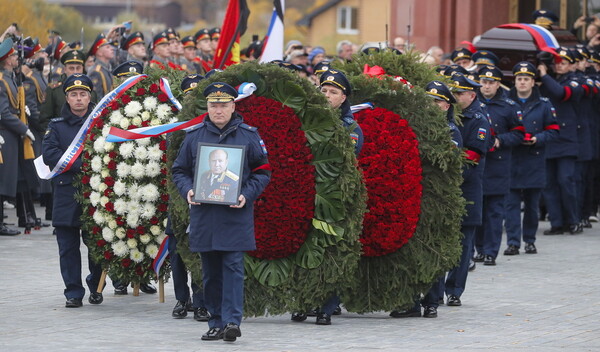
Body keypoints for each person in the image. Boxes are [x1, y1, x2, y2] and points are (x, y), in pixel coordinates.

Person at [172, 82, 271, 342]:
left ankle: (231, 322)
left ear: (233, 106)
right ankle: (215, 321)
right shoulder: (194, 136)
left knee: (234, 268)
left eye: (224, 105)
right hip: (205, 215)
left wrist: (245, 194)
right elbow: (179, 170)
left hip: (235, 215)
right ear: (207, 106)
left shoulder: (249, 135)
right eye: (214, 105)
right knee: (210, 271)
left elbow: (263, 172)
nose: (218, 110)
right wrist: (188, 191)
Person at [390, 80, 462, 319]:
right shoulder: (415, 128)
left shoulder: (452, 132)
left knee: (433, 249)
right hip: (413, 196)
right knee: (410, 250)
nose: (432, 105)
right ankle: (410, 302)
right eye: (428, 101)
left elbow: (445, 161)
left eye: (438, 101)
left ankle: (431, 301)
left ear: (447, 106)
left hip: (437, 198)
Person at [41, 73, 103, 307]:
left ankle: (96, 285)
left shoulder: (100, 124)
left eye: (83, 94)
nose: (78, 99)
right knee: (68, 248)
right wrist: (83, 164)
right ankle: (73, 293)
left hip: (94, 194)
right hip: (66, 194)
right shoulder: (56, 126)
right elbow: (49, 155)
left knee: (97, 245)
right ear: (67, 99)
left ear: (90, 97)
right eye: (74, 95)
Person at [504, 62, 559, 256]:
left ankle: (529, 240)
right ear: (515, 81)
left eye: (526, 79)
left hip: (534, 159)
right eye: (519, 79)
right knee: (510, 205)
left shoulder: (544, 104)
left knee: (531, 205)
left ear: (533, 82)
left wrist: (538, 139)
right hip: (511, 158)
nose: (522, 83)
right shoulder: (505, 102)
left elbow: (553, 131)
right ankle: (512, 242)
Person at [445, 73, 490, 306]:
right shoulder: (446, 116)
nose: (454, 97)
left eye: (459, 93)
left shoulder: (479, 120)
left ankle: (454, 290)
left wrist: (446, 176)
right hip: (445, 192)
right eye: (452, 93)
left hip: (466, 190)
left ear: (472, 95)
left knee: (463, 245)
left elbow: (470, 160)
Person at [168, 73, 210, 321]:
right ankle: (181, 299)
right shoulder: (174, 129)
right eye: (189, 96)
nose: (193, 101)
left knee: (200, 252)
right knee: (177, 253)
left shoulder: (209, 128)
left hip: (204, 200)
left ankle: (201, 302)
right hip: (179, 199)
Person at [473, 65, 524, 266]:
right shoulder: (471, 102)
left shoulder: (509, 106)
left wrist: (501, 140)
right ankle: (479, 249)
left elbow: (519, 133)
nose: (486, 86)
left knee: (494, 212)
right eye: (483, 82)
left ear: (497, 84)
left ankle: (490, 252)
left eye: (491, 82)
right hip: (478, 165)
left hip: (499, 165)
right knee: (478, 211)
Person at [537, 48, 583, 235]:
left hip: (567, 140)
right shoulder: (549, 81)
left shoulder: (576, 81)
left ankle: (573, 220)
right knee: (549, 184)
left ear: (571, 65)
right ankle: (557, 223)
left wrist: (544, 75)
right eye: (557, 62)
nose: (559, 66)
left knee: (565, 180)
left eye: (563, 63)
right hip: (551, 137)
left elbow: (562, 93)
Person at [0, 37, 27, 236]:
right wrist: (22, 128)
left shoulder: (9, 77)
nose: (18, 58)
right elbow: (3, 112)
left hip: (11, 133)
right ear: (8, 58)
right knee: (2, 180)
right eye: (15, 55)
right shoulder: (2, 80)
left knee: (7, 179)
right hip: (5, 133)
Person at [87, 33, 114, 98]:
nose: (112, 49)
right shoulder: (96, 72)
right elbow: (96, 98)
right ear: (99, 53)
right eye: (107, 47)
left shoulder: (105, 69)